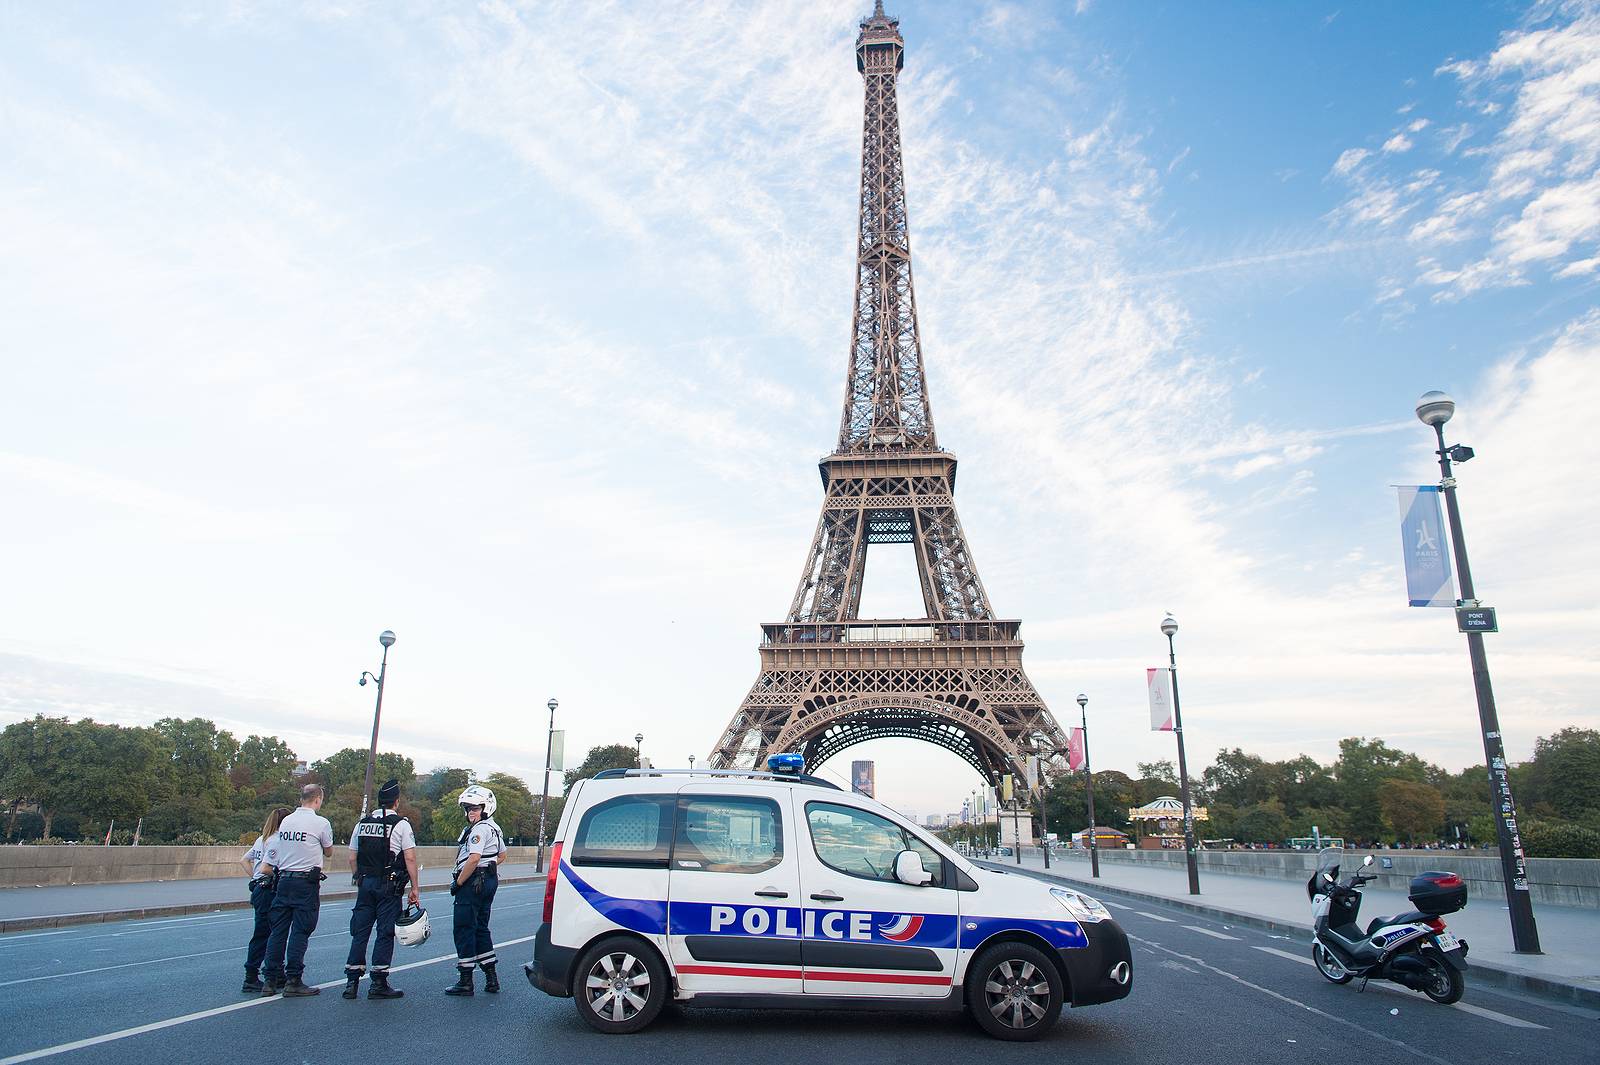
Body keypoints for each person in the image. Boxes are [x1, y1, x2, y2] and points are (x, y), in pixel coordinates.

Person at [343, 778, 421, 1000]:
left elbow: (352, 856)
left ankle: (351, 982)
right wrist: (415, 888)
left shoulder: (363, 823)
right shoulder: (401, 824)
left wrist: (359, 877)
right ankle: (378, 982)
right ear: (396, 802)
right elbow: (410, 858)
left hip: (366, 883)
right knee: (385, 932)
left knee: (361, 931)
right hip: (389, 884)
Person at [260, 783, 334, 997]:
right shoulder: (320, 823)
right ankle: (293, 979)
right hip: (305, 883)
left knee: (278, 931)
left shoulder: (286, 822)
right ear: (318, 799)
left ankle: (270, 979)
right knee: (300, 931)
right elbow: (328, 851)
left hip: (283, 880)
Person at [444, 784, 504, 996]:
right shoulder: (495, 828)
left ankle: (466, 980)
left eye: (475, 808)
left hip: (472, 883)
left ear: (486, 808)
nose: (471, 812)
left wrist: (458, 883)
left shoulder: (479, 830)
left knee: (464, 928)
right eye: (468, 808)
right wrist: (490, 865)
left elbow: (474, 858)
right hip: (488, 880)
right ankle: (491, 977)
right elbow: (502, 855)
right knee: (481, 928)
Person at [241, 806, 292, 993]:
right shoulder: (278, 841)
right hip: (268, 889)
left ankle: (269, 972)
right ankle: (255, 975)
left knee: (265, 933)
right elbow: (265, 868)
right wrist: (275, 876)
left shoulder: (261, 839)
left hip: (259, 888)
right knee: (270, 933)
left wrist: (254, 879)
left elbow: (244, 860)